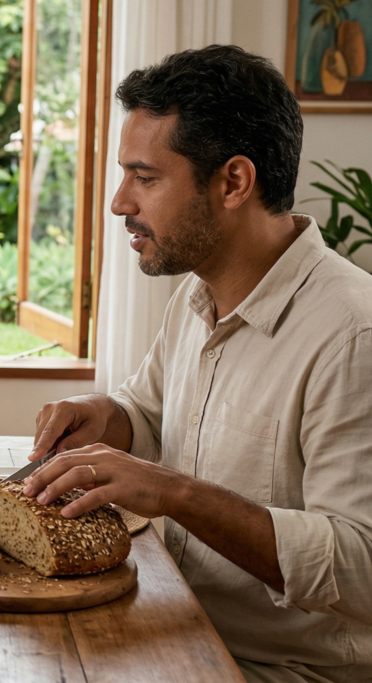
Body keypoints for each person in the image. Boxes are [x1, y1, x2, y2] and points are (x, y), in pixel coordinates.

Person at [21, 45, 372, 683]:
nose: (119, 202)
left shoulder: (354, 333)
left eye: (144, 177)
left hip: (278, 669)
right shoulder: (198, 292)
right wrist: (102, 419)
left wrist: (176, 494)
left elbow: (363, 566)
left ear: (234, 182)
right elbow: (147, 414)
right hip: (174, 624)